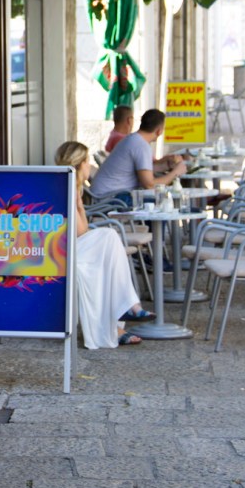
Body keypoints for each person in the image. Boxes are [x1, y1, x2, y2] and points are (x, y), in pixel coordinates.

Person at [55, 141, 155, 348]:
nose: (90, 166)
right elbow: (80, 231)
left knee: (108, 247)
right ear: (81, 163)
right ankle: (128, 308)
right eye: (88, 161)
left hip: (69, 247)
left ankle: (123, 316)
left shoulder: (70, 186)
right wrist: (80, 208)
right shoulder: (66, 188)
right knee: (109, 236)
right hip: (63, 251)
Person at [90, 108, 186, 201]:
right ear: (159, 131)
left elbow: (142, 171)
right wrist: (176, 173)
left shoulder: (133, 139)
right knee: (162, 200)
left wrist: (167, 165)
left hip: (103, 194)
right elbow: (149, 185)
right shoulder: (141, 145)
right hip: (110, 198)